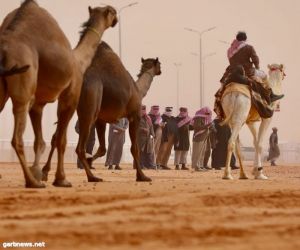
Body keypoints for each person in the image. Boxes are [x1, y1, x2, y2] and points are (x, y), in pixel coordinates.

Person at [220, 31, 284, 103]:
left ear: (237, 39)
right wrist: (257, 67)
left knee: (222, 87)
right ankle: (271, 95)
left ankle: (219, 102)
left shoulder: (229, 50)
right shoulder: (249, 47)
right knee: (264, 75)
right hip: (247, 72)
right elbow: (255, 59)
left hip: (231, 72)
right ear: (245, 39)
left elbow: (231, 61)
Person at [191, 107, 216, 171]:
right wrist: (207, 125)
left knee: (202, 152)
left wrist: (211, 127)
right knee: (197, 153)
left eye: (209, 113)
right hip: (199, 137)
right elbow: (197, 127)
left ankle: (201, 166)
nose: (208, 115)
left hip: (205, 137)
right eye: (206, 113)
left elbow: (211, 128)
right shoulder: (198, 118)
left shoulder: (207, 119)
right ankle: (196, 166)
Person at [138, 105, 156, 169]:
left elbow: (151, 127)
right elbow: (135, 127)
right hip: (141, 138)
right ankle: (141, 165)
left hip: (148, 138)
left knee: (148, 151)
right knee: (141, 152)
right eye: (142, 110)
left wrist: (153, 134)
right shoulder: (137, 118)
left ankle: (149, 165)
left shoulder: (148, 118)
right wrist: (143, 129)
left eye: (144, 110)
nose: (143, 111)